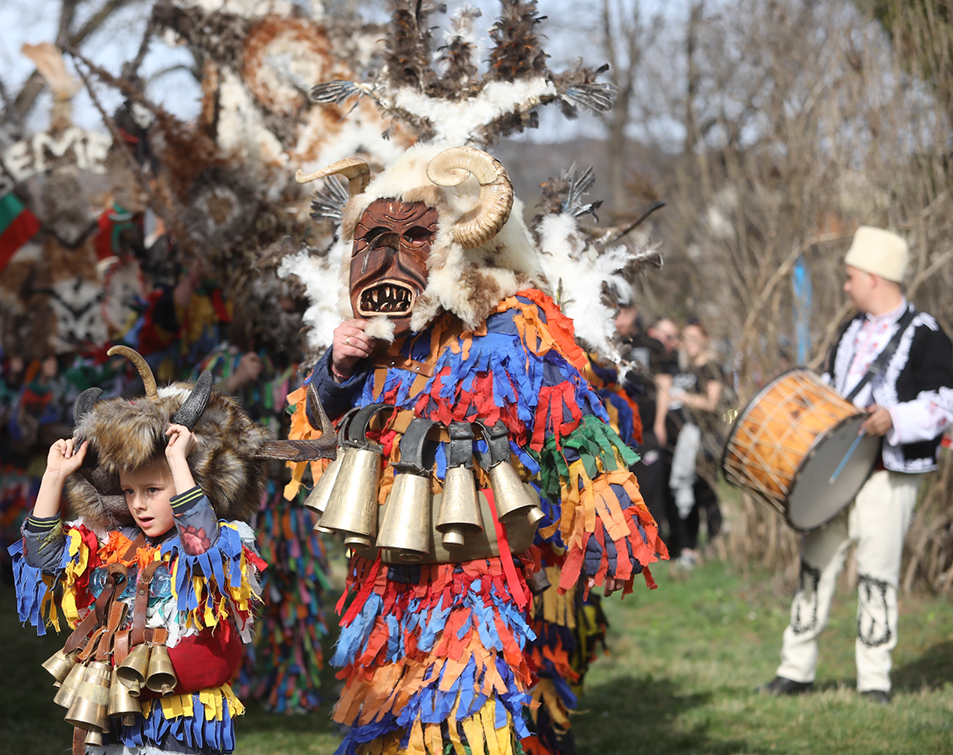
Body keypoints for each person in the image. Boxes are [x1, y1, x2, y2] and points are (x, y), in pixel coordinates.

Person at [285, 144, 666, 755]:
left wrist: (605, 525)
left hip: (478, 569)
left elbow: (571, 425)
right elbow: (314, 438)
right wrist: (337, 369)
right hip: (386, 574)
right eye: (372, 239)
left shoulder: (513, 324)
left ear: (453, 246)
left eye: (408, 239)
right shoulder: (375, 340)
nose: (384, 260)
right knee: (385, 718)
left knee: (467, 715)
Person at [10, 348, 270, 754]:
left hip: (182, 719)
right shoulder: (111, 542)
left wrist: (179, 462)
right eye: (129, 492)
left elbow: (200, 546)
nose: (139, 504)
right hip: (113, 708)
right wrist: (54, 476)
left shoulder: (222, 540)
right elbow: (42, 557)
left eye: (152, 491)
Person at [760, 226, 953, 704]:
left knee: (877, 574)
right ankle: (795, 669)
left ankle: (874, 681)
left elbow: (944, 406)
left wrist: (894, 417)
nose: (845, 286)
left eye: (851, 277)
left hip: (888, 474)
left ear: (874, 277)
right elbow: (832, 385)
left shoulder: (927, 334)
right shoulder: (851, 329)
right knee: (815, 565)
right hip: (833, 473)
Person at [665, 318, 725, 567]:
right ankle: (692, 548)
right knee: (690, 490)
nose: (688, 344)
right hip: (690, 440)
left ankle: (715, 544)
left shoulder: (710, 368)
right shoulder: (689, 369)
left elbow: (712, 403)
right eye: (685, 338)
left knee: (705, 493)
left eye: (693, 338)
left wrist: (684, 398)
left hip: (707, 440)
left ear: (705, 340)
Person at [618, 306, 679, 532]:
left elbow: (664, 386)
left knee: (651, 486)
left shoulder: (650, 345)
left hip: (647, 429)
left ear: (634, 311)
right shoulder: (605, 343)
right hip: (617, 431)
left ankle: (653, 538)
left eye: (624, 312)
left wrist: (660, 422)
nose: (620, 318)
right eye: (616, 312)